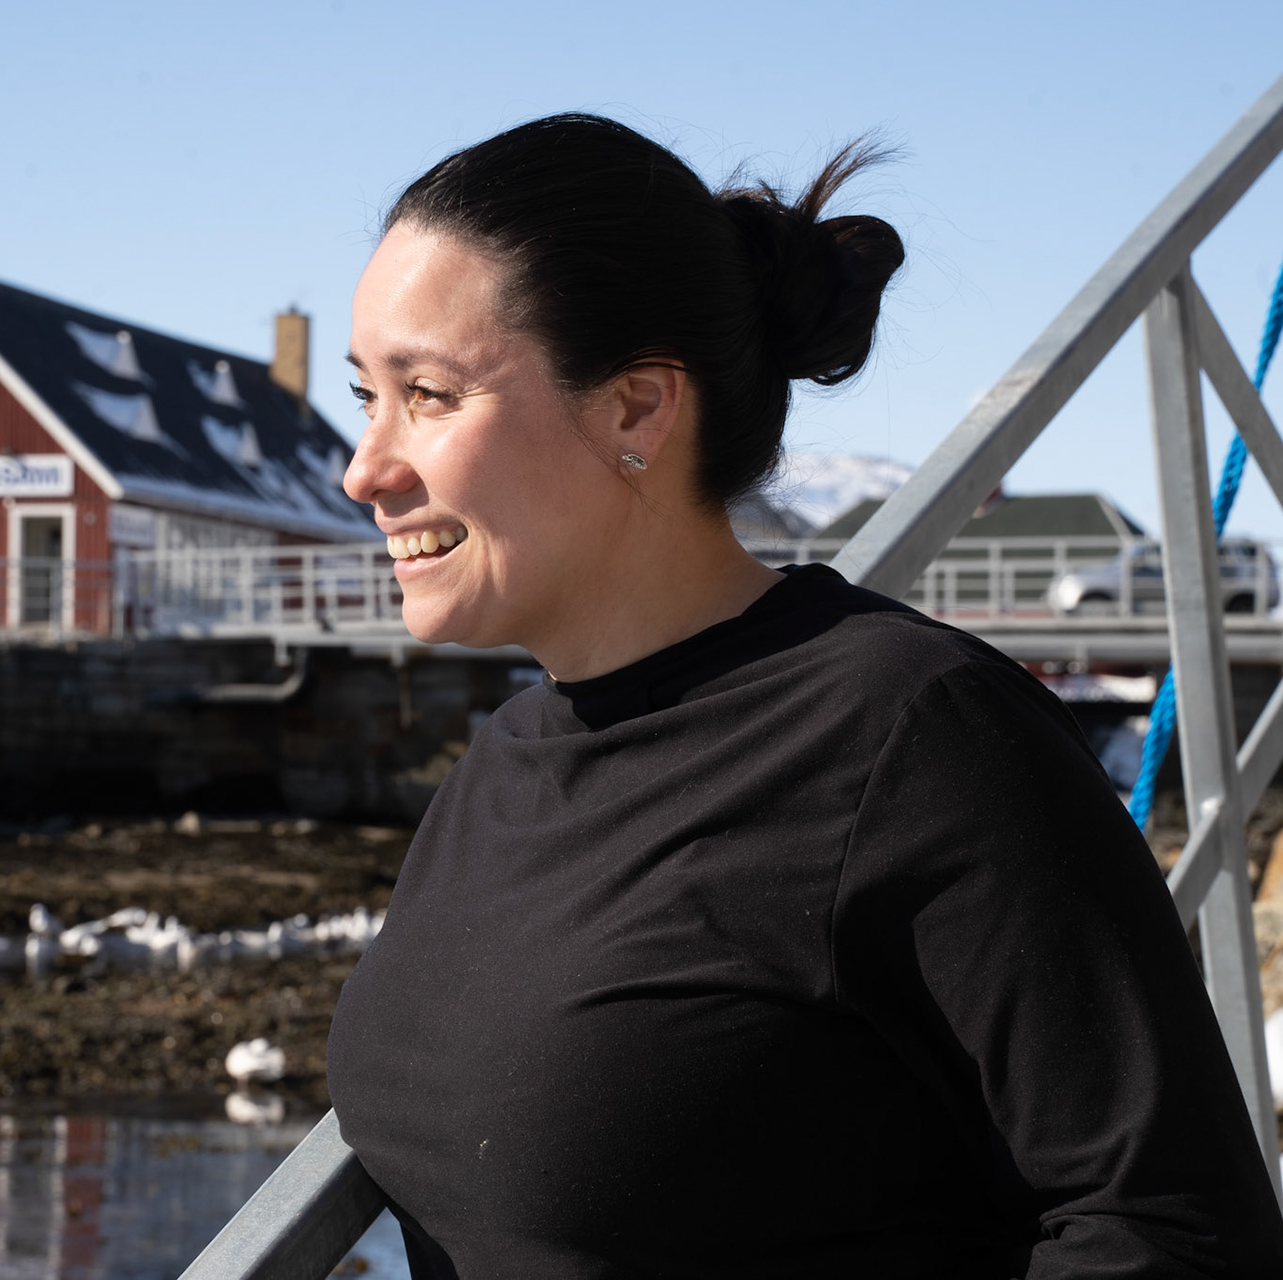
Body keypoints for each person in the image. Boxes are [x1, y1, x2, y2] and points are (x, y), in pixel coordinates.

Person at [323, 113, 1283, 1279]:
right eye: (367, 393)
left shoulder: (916, 735)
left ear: (636, 408)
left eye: (426, 393)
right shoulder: (505, 761)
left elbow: (1173, 1226)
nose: (364, 467)